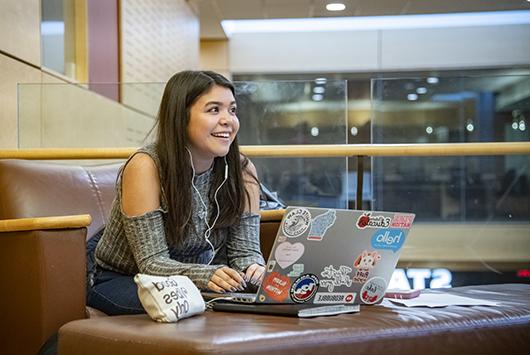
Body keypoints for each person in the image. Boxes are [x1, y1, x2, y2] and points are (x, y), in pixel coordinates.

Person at [87, 70, 266, 316]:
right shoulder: (146, 166)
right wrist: (207, 275)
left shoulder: (242, 170)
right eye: (214, 110)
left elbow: (245, 252)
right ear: (181, 117)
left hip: (196, 283)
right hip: (125, 279)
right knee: (198, 307)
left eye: (232, 110)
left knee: (247, 304)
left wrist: (254, 270)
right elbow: (151, 263)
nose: (228, 120)